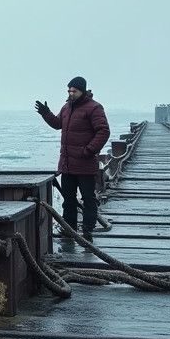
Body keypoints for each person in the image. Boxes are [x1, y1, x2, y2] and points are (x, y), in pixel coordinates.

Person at [35, 76, 111, 238]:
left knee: (88, 198)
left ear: (82, 91)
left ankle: (88, 230)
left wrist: (89, 150)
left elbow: (103, 131)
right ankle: (69, 230)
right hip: (67, 165)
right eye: (69, 90)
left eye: (74, 90)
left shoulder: (94, 108)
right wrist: (46, 113)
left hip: (85, 164)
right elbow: (57, 124)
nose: (70, 93)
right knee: (68, 199)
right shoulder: (66, 107)